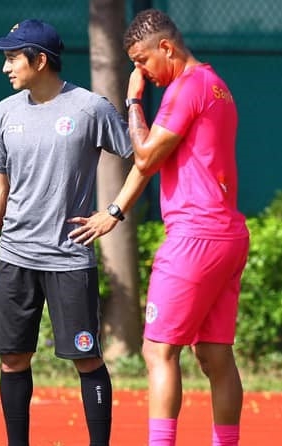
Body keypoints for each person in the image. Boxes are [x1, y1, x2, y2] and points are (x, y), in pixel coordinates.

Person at [0, 19, 151, 446]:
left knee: (86, 358)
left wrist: (113, 212)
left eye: (12, 58)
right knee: (13, 359)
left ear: (39, 60)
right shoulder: (5, 111)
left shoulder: (89, 107)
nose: (5, 68)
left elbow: (143, 157)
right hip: (13, 257)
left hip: (69, 259)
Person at [123, 9, 250, 446]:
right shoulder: (217, 85)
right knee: (215, 353)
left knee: (158, 351)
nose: (140, 72)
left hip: (195, 235)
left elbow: (143, 157)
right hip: (228, 233)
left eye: (141, 61)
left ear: (166, 48)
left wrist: (133, 101)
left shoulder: (185, 88)